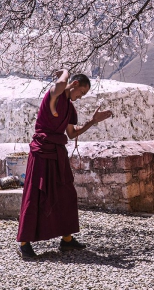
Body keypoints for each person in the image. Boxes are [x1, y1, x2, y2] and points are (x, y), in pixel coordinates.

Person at [16, 70, 113, 259]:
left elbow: (72, 133)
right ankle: (25, 242)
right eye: (81, 92)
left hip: (58, 153)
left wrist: (93, 121)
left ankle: (67, 240)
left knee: (66, 193)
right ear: (74, 84)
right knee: (36, 194)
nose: (80, 97)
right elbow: (61, 84)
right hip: (42, 152)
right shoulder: (54, 94)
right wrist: (66, 73)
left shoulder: (70, 108)